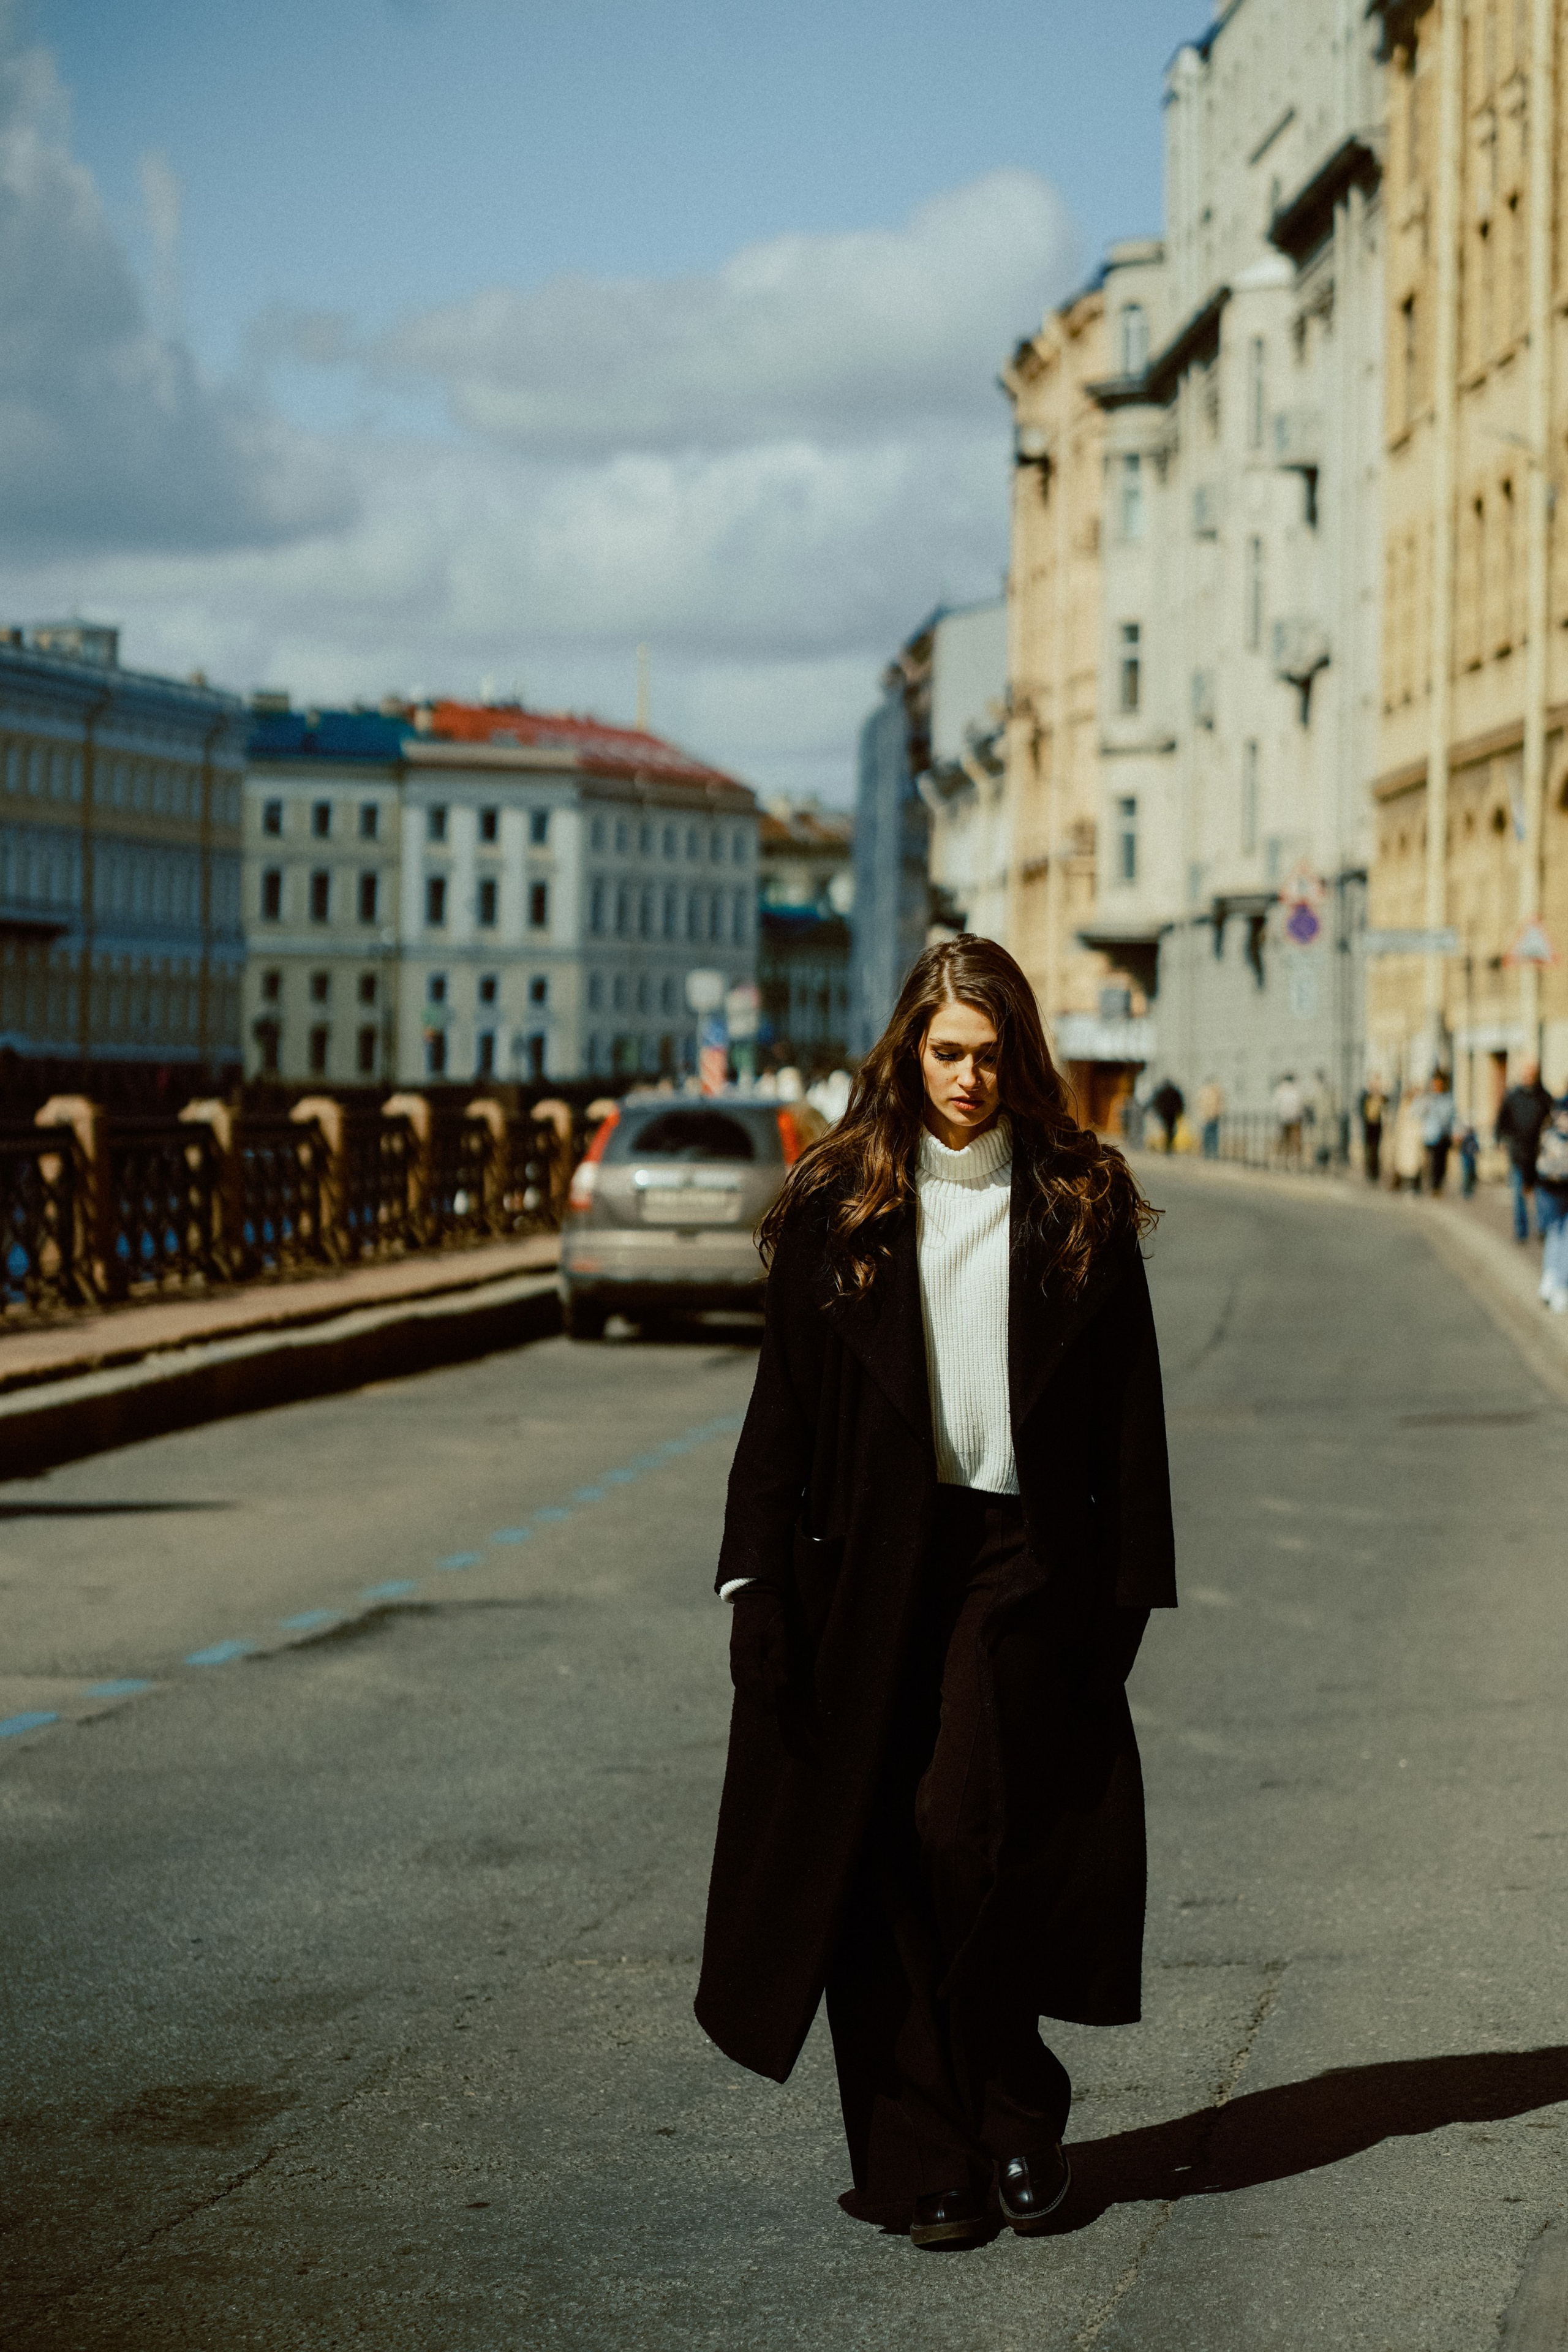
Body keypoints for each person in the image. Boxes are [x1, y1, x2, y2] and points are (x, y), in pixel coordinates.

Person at [698, 935, 1175, 2250]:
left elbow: (1129, 1416)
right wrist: (756, 1595)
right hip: (866, 1564)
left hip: (1019, 1563)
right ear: (908, 1053)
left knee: (968, 1822)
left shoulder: (1075, 1196)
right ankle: (926, 2152)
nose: (965, 1078)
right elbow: (780, 1417)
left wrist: (1125, 1600)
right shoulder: (839, 1201)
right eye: (944, 1052)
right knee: (878, 1852)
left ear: (1018, 1059)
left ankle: (1015, 2101)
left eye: (987, 1055)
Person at [1496, 1059, 1555, 1243]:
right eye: (1527, 1072)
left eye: (1532, 1072)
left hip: (1540, 1154)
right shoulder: (1513, 1096)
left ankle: (1542, 1228)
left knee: (1541, 1194)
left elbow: (1554, 1121)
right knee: (1518, 1195)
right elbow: (1502, 1120)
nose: (1529, 1075)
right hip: (1518, 1152)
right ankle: (1521, 1231)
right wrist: (1500, 1139)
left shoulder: (1544, 1097)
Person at [1534, 1093, 1568, 1312]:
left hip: (1548, 1191)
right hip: (1555, 1193)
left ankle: (1550, 1279)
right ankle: (1559, 1287)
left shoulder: (1548, 1133)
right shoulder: (1556, 1137)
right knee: (1561, 1236)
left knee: (1557, 1235)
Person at [1419, 1069, 1457, 1194]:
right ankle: (1433, 1186)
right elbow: (1418, 1113)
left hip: (1443, 1136)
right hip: (1430, 1135)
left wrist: (1455, 1132)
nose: (1436, 1086)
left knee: (1441, 1164)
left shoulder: (1448, 1099)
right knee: (1432, 1163)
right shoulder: (1428, 1098)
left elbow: (1452, 1117)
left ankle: (1437, 1186)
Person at [1272, 1072, 1304, 1169]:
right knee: (1295, 1141)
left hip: (1284, 1119)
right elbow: (1300, 1105)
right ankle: (1294, 1161)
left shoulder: (1280, 1089)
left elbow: (1276, 1104)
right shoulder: (1296, 1090)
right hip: (1295, 1119)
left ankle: (1281, 1160)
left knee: (1283, 1141)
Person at [1359, 1076, 1387, 1183]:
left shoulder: (1381, 1097)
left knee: (1375, 1150)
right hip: (1368, 1127)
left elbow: (1385, 1105)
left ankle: (1375, 1173)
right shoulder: (1365, 1096)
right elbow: (1362, 1111)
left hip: (1377, 1127)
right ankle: (1369, 1172)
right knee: (1368, 1150)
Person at [1152, 1076, 1185, 1153]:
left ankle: (1167, 1146)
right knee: (1171, 1130)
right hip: (1172, 1114)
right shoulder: (1174, 1091)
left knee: (1166, 1130)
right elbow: (1180, 1102)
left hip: (1165, 1114)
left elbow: (1157, 1102)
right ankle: (1169, 1146)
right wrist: (1180, 1112)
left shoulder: (1162, 1091)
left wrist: (1158, 1111)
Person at [1194, 1076, 1224, 1160]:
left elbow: (1220, 1103)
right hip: (1210, 1116)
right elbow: (1200, 1103)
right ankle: (1210, 1153)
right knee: (1210, 1135)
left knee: (1211, 1135)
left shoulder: (1207, 1091)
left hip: (1211, 1116)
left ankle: (1211, 1153)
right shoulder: (1215, 1091)